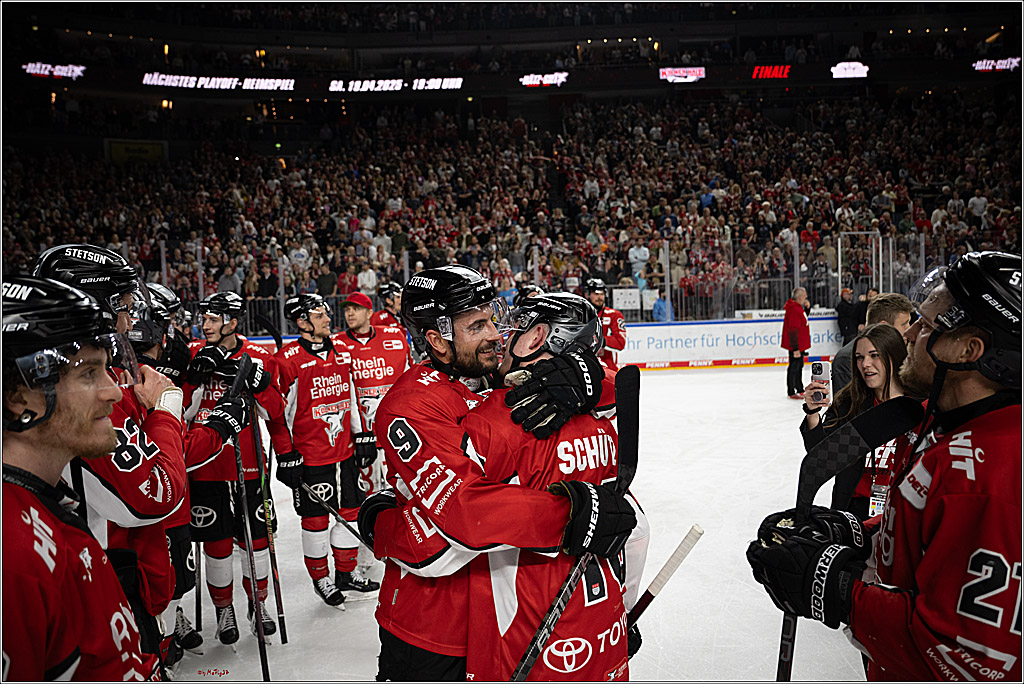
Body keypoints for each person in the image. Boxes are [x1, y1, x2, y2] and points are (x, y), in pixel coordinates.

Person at [747, 251, 1021, 681]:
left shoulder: (990, 478)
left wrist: (840, 590)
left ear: (970, 350)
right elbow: (925, 535)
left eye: (927, 325)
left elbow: (966, 658)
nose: (909, 332)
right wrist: (856, 533)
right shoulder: (945, 422)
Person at [360, 265, 633, 681]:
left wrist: (590, 377)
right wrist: (572, 515)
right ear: (437, 339)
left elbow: (616, 390)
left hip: (504, 627)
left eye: (493, 318)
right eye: (476, 325)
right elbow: (464, 512)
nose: (494, 333)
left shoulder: (491, 373)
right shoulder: (411, 405)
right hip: (433, 628)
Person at [34, 244, 188, 671]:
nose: (130, 317)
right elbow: (154, 497)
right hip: (101, 582)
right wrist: (166, 410)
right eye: (120, 304)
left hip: (92, 574)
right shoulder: (80, 395)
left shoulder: (65, 375)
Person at [2, 275, 158, 681]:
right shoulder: (12, 559)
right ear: (19, 397)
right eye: (89, 374)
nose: (114, 392)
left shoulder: (45, 506)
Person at [128, 282, 251, 666]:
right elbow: (170, 445)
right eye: (168, 323)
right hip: (153, 497)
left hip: (164, 497)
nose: (176, 332)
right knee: (156, 582)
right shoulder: (132, 379)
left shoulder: (162, 360)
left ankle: (168, 630)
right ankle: (160, 647)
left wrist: (192, 378)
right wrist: (218, 427)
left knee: (173, 577)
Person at [183, 291, 287, 645]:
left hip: (249, 466)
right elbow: (176, 410)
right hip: (205, 465)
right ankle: (224, 610)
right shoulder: (195, 352)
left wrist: (262, 388)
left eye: (212, 319)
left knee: (257, 542)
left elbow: (276, 412)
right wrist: (192, 378)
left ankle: (258, 605)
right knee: (216, 544)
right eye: (204, 319)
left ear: (231, 320)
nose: (205, 325)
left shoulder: (258, 357)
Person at [272, 293, 374, 607]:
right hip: (311, 457)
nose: (328, 320)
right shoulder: (287, 360)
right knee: (315, 521)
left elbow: (351, 397)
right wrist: (286, 455)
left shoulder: (343, 350)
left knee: (351, 515)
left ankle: (345, 573)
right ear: (302, 322)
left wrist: (363, 435)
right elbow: (277, 414)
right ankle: (321, 579)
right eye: (319, 315)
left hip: (344, 453)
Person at [801, 324, 912, 520]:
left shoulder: (918, 404)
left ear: (894, 355)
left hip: (904, 507)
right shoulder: (849, 402)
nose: (865, 364)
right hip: (855, 508)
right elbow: (820, 455)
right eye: (859, 357)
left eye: (874, 355)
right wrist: (813, 413)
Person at [830, 292, 914, 392]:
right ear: (884, 326)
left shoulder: (903, 351)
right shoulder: (846, 360)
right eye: (904, 324)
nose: (909, 329)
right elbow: (846, 405)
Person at [585, 277, 627, 369]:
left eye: (602, 294)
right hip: (586, 367)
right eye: (596, 294)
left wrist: (600, 340)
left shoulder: (614, 315)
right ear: (587, 294)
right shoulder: (580, 315)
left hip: (608, 369)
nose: (599, 297)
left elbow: (620, 343)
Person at [781, 287, 811, 399]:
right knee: (794, 367)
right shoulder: (794, 310)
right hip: (796, 345)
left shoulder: (798, 308)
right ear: (799, 297)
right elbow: (793, 330)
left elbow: (803, 320)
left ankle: (799, 388)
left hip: (799, 344)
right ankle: (791, 390)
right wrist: (795, 349)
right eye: (804, 296)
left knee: (799, 366)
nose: (806, 298)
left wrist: (807, 309)